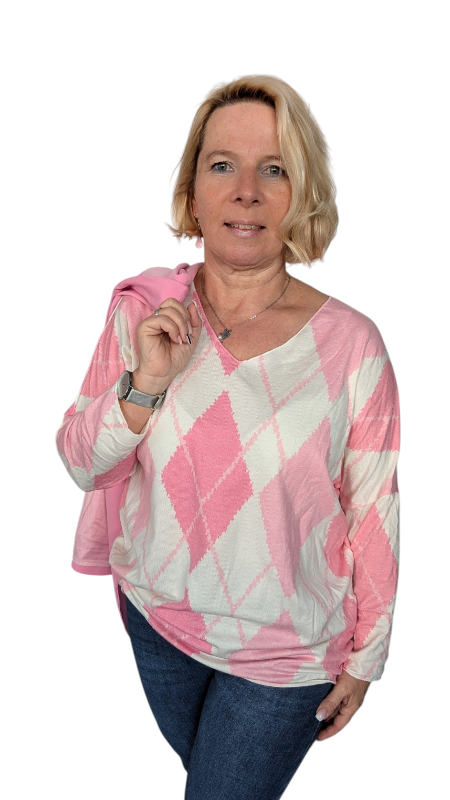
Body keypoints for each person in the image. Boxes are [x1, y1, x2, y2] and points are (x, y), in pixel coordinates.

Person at [57, 75, 400, 800]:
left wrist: (368, 655)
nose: (246, 191)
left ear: (302, 193)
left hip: (287, 653)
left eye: (274, 169)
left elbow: (373, 508)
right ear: (193, 192)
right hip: (158, 622)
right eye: (223, 165)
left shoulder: (352, 345)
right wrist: (146, 382)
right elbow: (83, 463)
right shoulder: (145, 313)